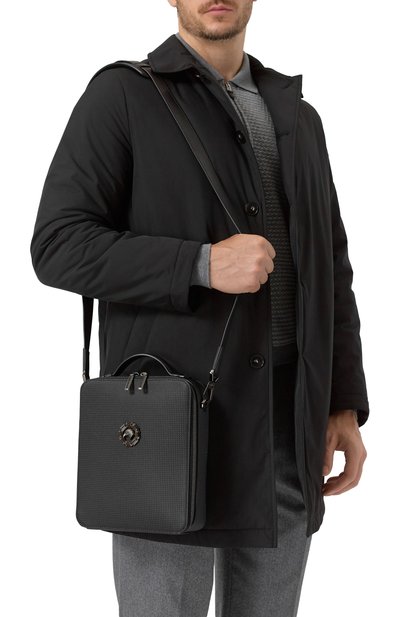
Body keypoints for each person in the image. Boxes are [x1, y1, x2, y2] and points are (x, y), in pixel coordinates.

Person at [30, 1, 370, 615]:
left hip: (287, 426)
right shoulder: (123, 97)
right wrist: (201, 264)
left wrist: (342, 401)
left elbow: (330, 267)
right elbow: (58, 245)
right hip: (170, 427)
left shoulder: (298, 117)